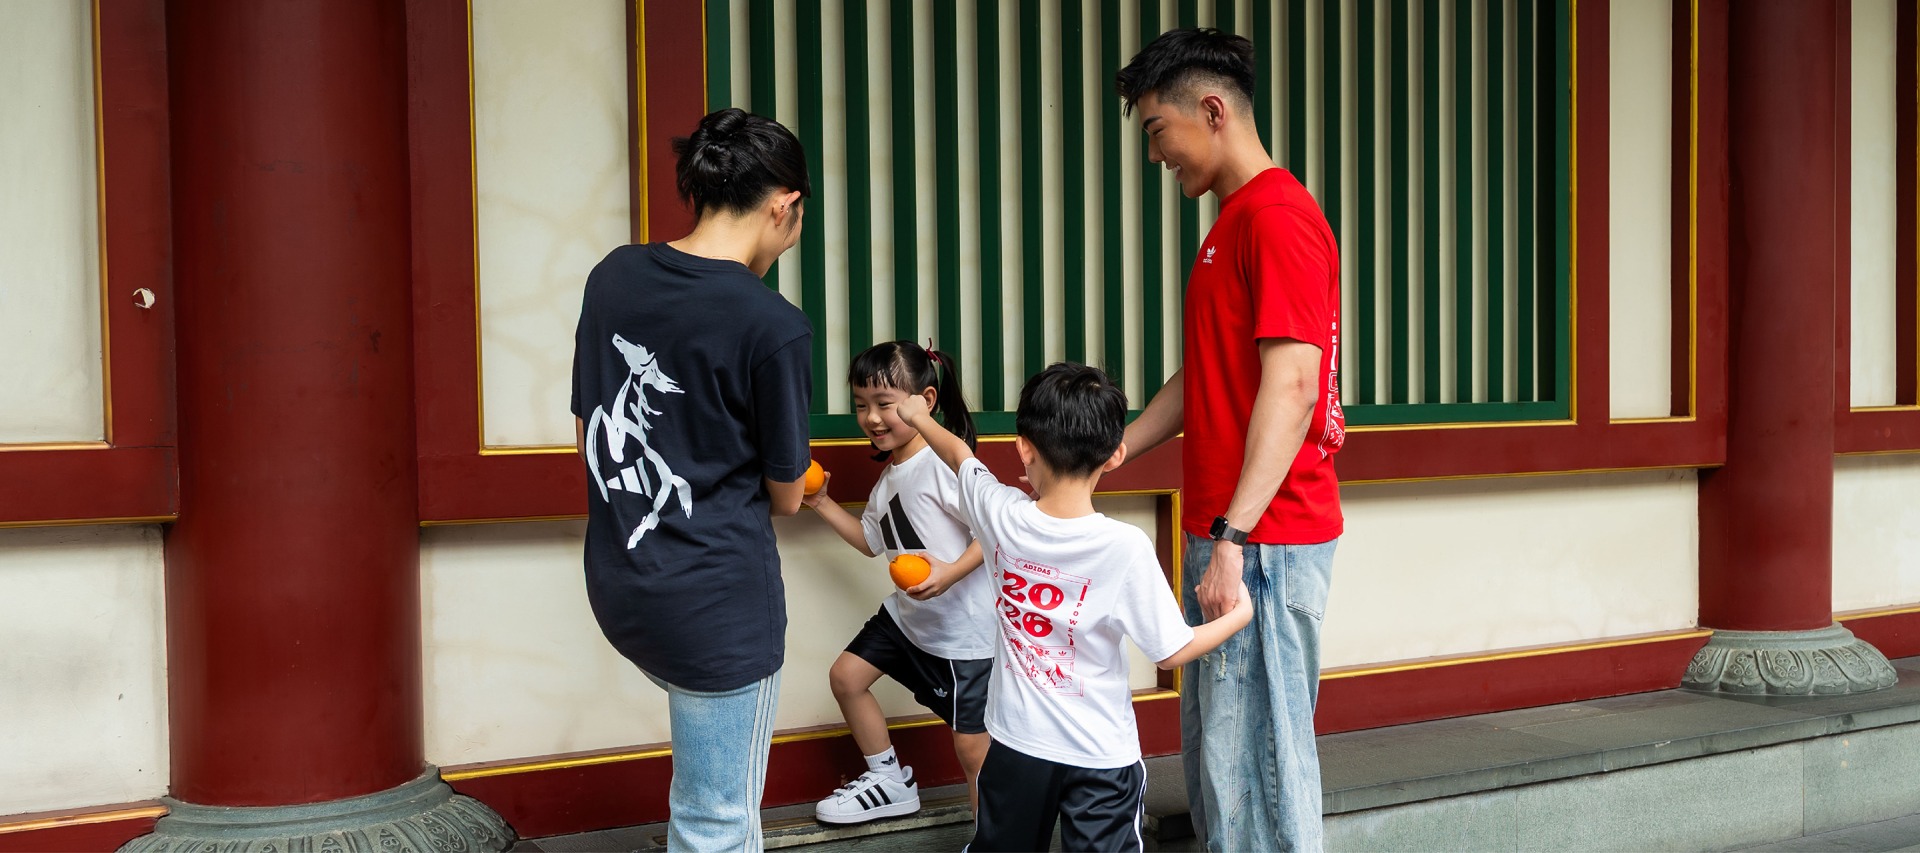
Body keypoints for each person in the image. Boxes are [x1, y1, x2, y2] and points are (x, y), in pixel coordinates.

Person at [1114, 28, 1347, 853]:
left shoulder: (1277, 218)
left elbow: (1291, 387)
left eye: (1157, 130)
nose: (1154, 155)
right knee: (1224, 766)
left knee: (1261, 774)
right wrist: (1120, 447)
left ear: (1212, 111)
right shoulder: (1234, 221)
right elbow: (1208, 372)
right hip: (1231, 533)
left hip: (1262, 541)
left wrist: (1232, 539)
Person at [570, 107, 812, 852]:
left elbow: (588, 433)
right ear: (783, 206)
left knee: (707, 804)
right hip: (717, 609)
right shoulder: (772, 324)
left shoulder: (614, 275)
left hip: (623, 585)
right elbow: (787, 495)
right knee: (717, 821)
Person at [897, 362, 1253, 853]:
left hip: (1015, 745)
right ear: (1116, 453)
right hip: (1100, 755)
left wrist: (917, 416)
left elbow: (959, 454)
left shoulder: (999, 512)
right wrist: (1239, 616)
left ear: (1024, 448)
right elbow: (1172, 651)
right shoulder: (1124, 546)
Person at [799, 341, 995, 823]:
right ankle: (890, 781)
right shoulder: (890, 478)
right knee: (847, 677)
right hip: (909, 619)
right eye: (861, 405)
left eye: (884, 403)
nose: (872, 418)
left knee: (974, 752)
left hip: (963, 636)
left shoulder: (945, 466)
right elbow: (871, 541)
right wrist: (821, 502)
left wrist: (950, 572)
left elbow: (994, 531)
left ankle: (990, 838)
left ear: (925, 401)